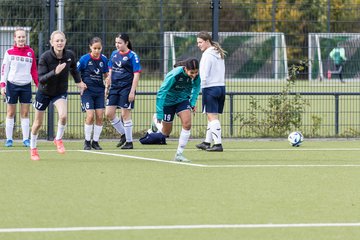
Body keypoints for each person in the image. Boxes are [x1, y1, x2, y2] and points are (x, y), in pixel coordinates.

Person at [30, 30, 86, 161]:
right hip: (44, 92)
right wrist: (55, 71)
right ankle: (33, 149)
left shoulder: (69, 55)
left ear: (65, 41)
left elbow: (74, 69)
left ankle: (58, 139)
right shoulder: (45, 57)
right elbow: (41, 78)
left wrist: (79, 82)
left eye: (62, 40)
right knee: (38, 123)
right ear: (51, 42)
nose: (59, 43)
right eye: (57, 41)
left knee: (63, 115)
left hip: (59, 92)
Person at [152, 58, 200, 162]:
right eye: (192, 72)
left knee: (187, 124)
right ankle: (156, 120)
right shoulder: (174, 75)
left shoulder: (196, 76)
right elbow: (161, 92)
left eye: (196, 72)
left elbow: (196, 88)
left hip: (182, 100)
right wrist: (160, 112)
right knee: (166, 133)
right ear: (185, 69)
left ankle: (179, 154)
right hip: (168, 102)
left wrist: (192, 103)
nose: (194, 75)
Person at [0, 28, 39, 147]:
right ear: (15, 38)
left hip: (26, 86)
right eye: (19, 37)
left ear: (25, 38)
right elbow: (4, 70)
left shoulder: (30, 52)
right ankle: (9, 139)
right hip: (12, 85)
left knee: (25, 113)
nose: (21, 39)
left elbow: (34, 70)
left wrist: (38, 85)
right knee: (10, 112)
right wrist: (2, 85)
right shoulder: (9, 52)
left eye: (23, 37)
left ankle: (26, 139)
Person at [105, 33, 141, 149]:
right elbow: (110, 69)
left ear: (126, 43)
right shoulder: (114, 54)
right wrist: (108, 83)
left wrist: (132, 91)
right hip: (114, 88)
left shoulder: (132, 56)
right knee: (109, 114)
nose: (117, 45)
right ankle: (124, 134)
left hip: (126, 88)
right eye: (116, 42)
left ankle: (129, 143)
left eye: (120, 43)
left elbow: (136, 75)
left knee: (125, 114)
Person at [196, 31, 226, 152]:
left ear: (207, 41)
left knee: (212, 116)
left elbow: (203, 74)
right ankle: (207, 142)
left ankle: (218, 144)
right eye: (197, 43)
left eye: (200, 42)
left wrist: (199, 88)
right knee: (212, 115)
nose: (198, 45)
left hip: (210, 88)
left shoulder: (207, 55)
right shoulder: (218, 52)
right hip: (221, 87)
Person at [77, 37, 109, 150]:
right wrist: (80, 83)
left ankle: (95, 142)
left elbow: (106, 74)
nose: (97, 51)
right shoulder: (84, 59)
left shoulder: (104, 59)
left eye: (99, 48)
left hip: (99, 91)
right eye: (95, 48)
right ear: (90, 47)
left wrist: (108, 83)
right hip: (87, 92)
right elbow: (75, 72)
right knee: (90, 116)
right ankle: (87, 141)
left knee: (100, 117)